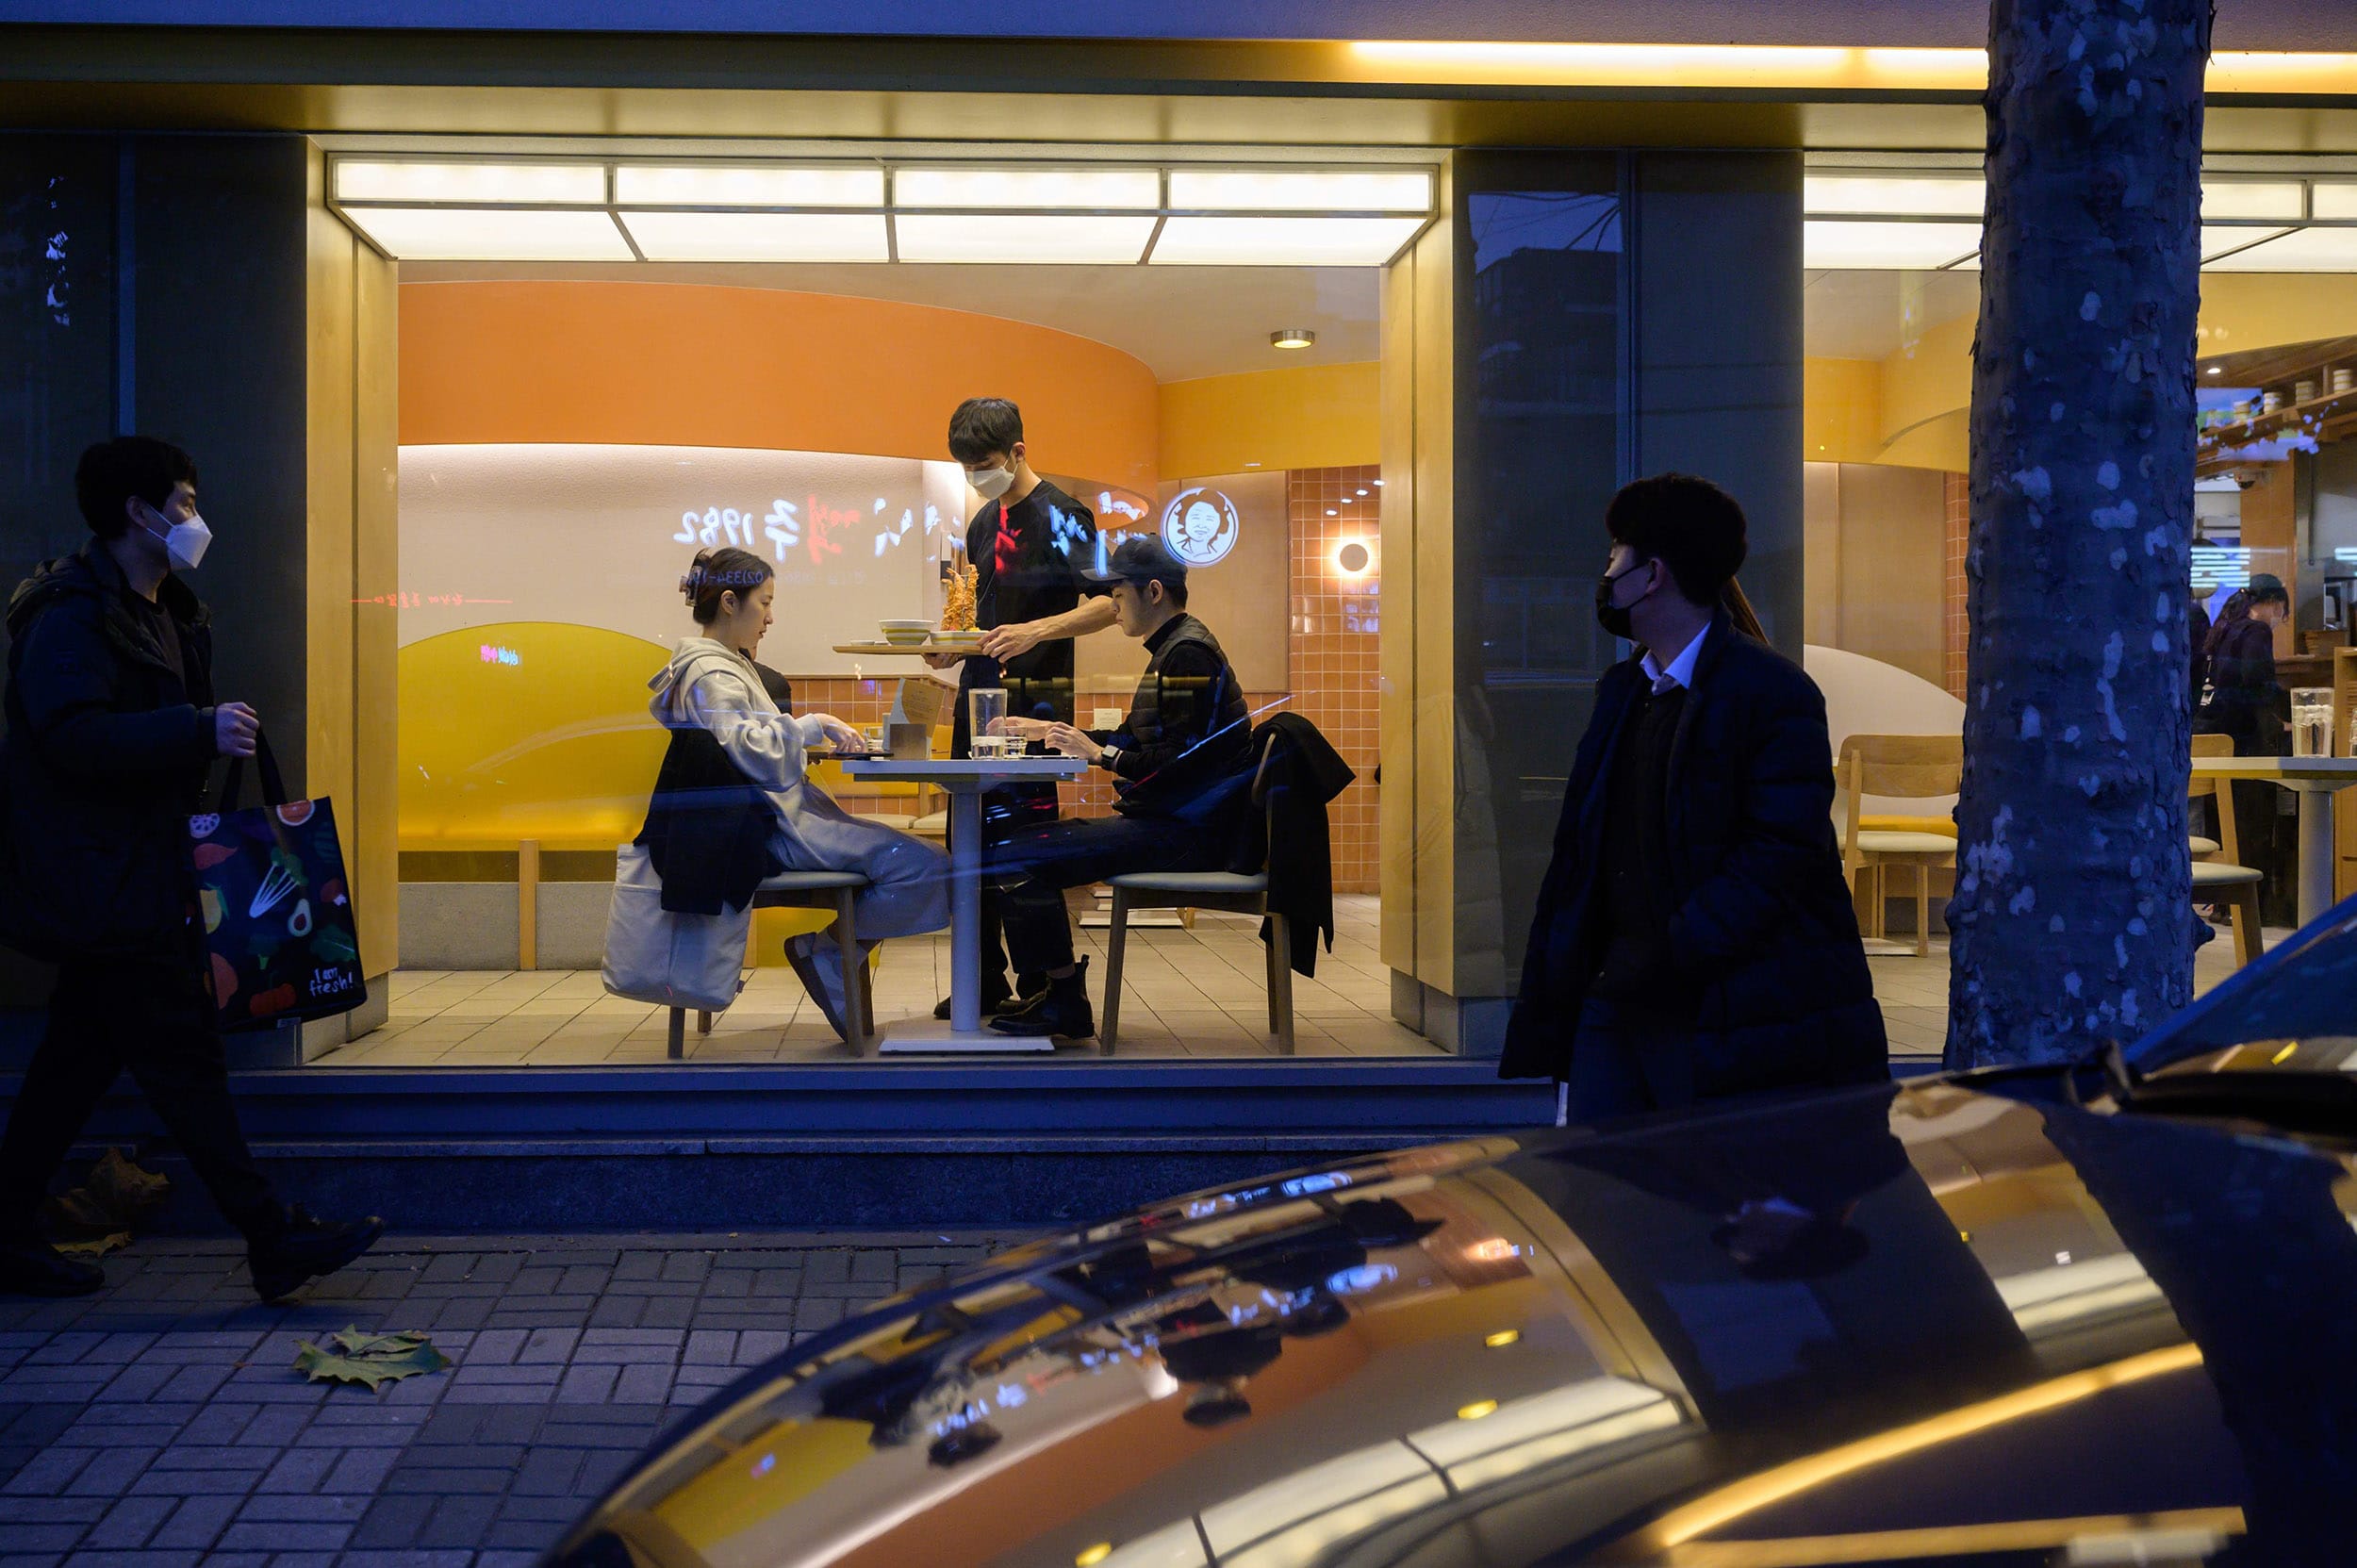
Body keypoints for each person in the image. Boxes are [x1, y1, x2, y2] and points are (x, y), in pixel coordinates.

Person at [0, 437, 383, 1299]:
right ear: (137, 512)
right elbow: (66, 738)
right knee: (183, 1060)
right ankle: (269, 1234)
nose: (193, 517)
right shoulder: (70, 614)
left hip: (147, 873)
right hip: (104, 882)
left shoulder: (166, 608)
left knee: (74, 1065)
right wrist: (195, 729)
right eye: (181, 501)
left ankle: (7, 1224)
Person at [1498, 472, 1887, 1117]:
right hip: (1618, 999)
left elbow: (1778, 855)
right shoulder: (1623, 691)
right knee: (1604, 1194)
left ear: (1652, 575)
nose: (1605, 573)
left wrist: (1672, 951)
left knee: (1703, 1198)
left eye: (1614, 556)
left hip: (1724, 1011)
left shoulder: (1771, 692)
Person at [642, 547, 948, 1036]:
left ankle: (828, 953)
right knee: (925, 865)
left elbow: (746, 745)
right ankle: (826, 952)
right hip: (772, 829)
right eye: (764, 603)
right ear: (728, 602)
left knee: (928, 862)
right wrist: (813, 724)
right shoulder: (711, 672)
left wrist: (808, 734)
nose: (769, 617)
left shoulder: (717, 666)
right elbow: (751, 750)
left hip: (766, 818)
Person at [981, 536, 1253, 1040]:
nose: (1112, 607)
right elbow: (1145, 740)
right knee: (1016, 849)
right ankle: (1059, 993)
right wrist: (1053, 734)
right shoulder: (1176, 647)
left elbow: (1178, 765)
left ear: (1153, 592)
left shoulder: (1187, 654)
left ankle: (1063, 998)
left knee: (1013, 854)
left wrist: (1101, 754)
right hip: (1178, 824)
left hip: (1189, 835)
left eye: (1118, 596)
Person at [922, 399, 1116, 1021]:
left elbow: (1113, 602)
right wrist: (947, 647)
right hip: (977, 702)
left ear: (1018, 453)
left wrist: (1039, 629)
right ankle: (981, 980)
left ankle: (1055, 989)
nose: (976, 476)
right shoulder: (982, 523)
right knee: (968, 843)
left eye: (984, 464)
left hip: (1032, 713)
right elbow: (980, 618)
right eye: (967, 468)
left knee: (1021, 847)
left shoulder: (1063, 515)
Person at [2198, 573, 2292, 919]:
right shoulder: (2256, 631)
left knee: (2223, 821)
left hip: (2213, 738)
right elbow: (2257, 681)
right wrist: (2282, 718)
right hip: (2243, 739)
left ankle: (2222, 903)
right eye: (2282, 612)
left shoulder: (2225, 627)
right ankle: (2253, 906)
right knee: (2250, 822)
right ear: (2273, 603)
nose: (2280, 620)